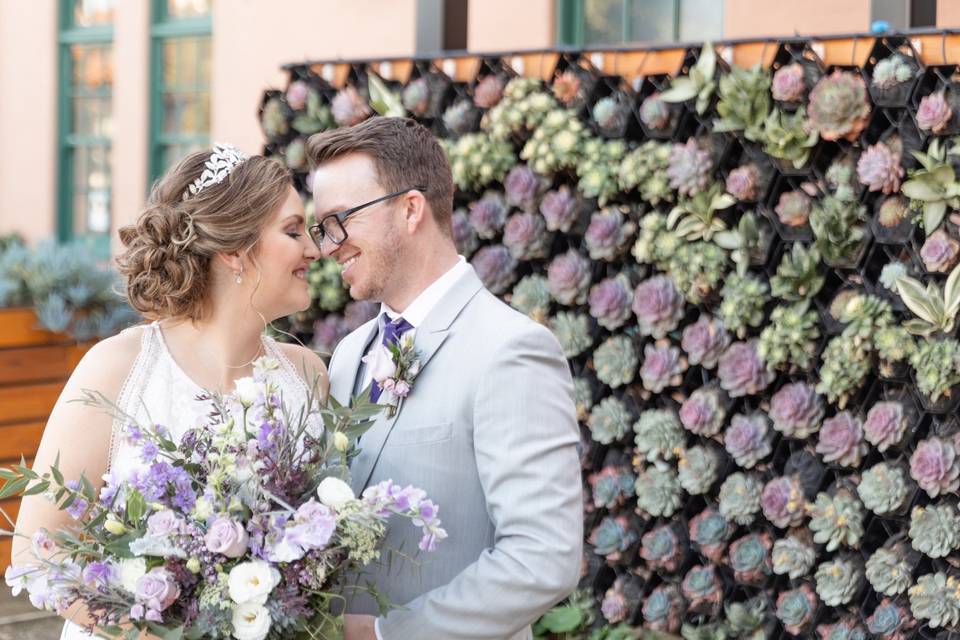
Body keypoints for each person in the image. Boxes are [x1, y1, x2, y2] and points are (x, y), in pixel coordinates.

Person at [9, 145, 327, 639]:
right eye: (292, 231)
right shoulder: (117, 371)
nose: (314, 248)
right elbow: (35, 552)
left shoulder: (307, 376)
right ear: (234, 251)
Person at [308, 117, 583, 640]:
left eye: (340, 220)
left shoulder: (510, 350)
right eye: (323, 228)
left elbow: (543, 557)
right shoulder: (347, 356)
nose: (328, 245)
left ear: (410, 209)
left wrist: (386, 634)